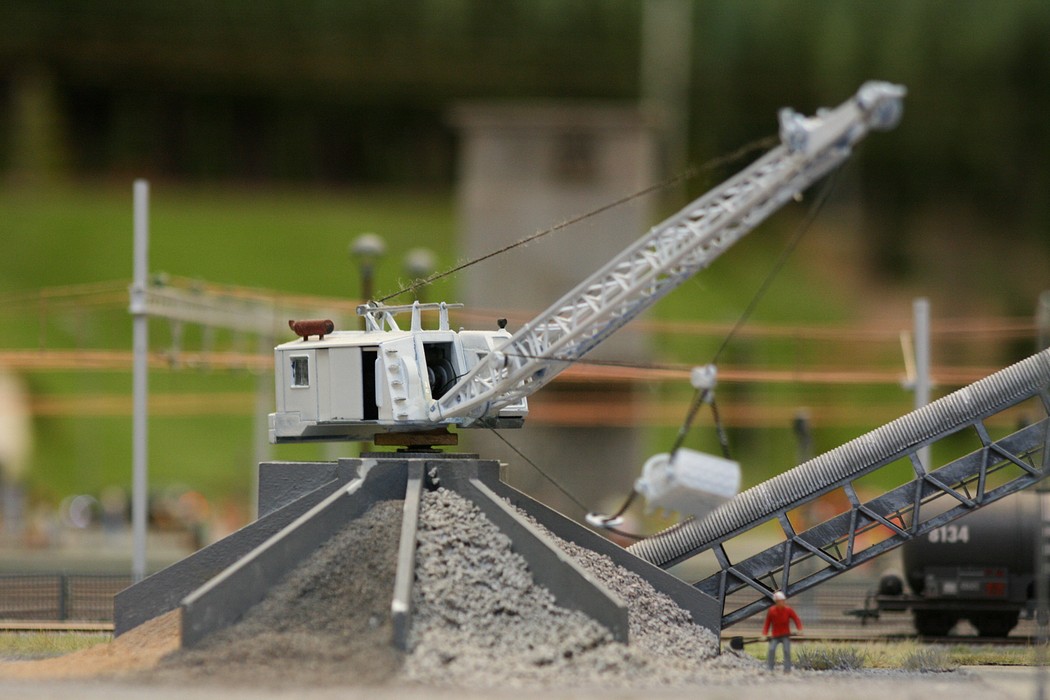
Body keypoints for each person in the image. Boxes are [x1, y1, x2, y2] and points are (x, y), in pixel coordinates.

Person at [762, 590, 803, 672]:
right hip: (775, 635)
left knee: (786, 650)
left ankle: (787, 669)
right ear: (776, 601)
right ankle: (770, 668)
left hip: (785, 635)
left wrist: (800, 629)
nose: (782, 602)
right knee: (771, 649)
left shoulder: (788, 610)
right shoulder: (772, 611)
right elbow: (767, 623)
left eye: (783, 601)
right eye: (780, 601)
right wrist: (764, 634)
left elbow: (796, 619)